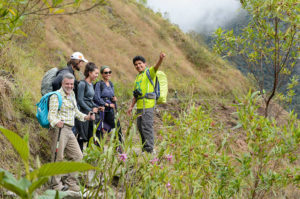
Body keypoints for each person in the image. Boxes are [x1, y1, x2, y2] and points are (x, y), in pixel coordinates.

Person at [48, 73, 95, 192]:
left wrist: (86, 117)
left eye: (71, 84)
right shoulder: (56, 96)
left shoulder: (72, 94)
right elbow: (51, 116)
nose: (69, 86)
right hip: (60, 129)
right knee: (58, 157)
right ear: (62, 83)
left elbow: (76, 112)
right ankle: (55, 185)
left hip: (70, 131)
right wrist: (56, 122)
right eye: (67, 84)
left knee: (78, 156)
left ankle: (71, 182)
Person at [127, 52, 166, 153]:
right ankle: (145, 148)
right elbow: (135, 94)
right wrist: (131, 107)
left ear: (145, 64)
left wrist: (160, 58)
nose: (138, 66)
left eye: (140, 63)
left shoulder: (149, 72)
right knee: (140, 127)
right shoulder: (137, 78)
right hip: (140, 106)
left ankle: (150, 150)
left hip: (148, 104)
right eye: (136, 64)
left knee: (146, 126)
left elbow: (156, 66)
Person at [93, 66, 123, 152]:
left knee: (117, 128)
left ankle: (118, 148)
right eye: (106, 72)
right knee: (100, 129)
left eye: (109, 72)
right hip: (102, 110)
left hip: (110, 110)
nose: (108, 74)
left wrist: (114, 100)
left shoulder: (111, 84)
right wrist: (107, 104)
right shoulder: (99, 84)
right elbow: (97, 98)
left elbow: (112, 96)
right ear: (102, 74)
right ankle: (99, 150)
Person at [76, 62, 99, 151]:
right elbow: (80, 100)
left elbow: (90, 99)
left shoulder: (91, 84)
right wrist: (90, 110)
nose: (97, 75)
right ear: (89, 72)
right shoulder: (82, 84)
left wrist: (96, 107)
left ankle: (89, 157)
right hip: (84, 113)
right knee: (82, 136)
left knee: (91, 135)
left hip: (91, 112)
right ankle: (79, 157)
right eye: (95, 73)